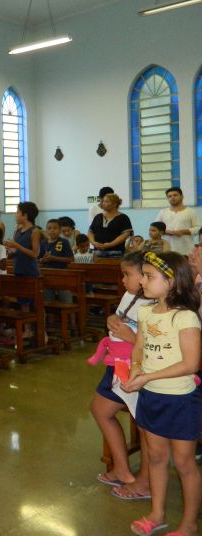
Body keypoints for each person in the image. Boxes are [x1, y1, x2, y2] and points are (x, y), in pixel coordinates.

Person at [123, 252, 202, 536]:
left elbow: (190, 364)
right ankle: (157, 513)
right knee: (156, 458)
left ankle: (189, 523)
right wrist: (135, 368)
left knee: (184, 463)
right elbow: (139, 348)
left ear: (171, 281)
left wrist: (148, 377)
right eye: (143, 275)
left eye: (149, 276)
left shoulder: (185, 317)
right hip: (151, 397)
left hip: (180, 400)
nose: (142, 281)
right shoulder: (146, 312)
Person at [89, 251, 152, 501]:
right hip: (117, 365)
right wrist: (113, 320)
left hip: (137, 368)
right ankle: (122, 470)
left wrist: (130, 336)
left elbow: (154, 346)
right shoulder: (130, 295)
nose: (123, 280)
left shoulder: (154, 303)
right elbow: (122, 318)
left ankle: (145, 482)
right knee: (99, 409)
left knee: (146, 428)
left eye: (128, 274)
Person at [155, 187, 201, 255]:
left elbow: (198, 228)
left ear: (182, 196)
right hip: (166, 250)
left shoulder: (190, 211)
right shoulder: (163, 212)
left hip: (186, 250)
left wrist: (182, 232)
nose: (172, 198)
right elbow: (156, 228)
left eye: (175, 195)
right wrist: (166, 231)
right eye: (169, 196)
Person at [88, 193, 133, 258]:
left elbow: (125, 234)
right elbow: (90, 232)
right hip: (97, 252)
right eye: (103, 201)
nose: (103, 203)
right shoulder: (98, 217)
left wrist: (110, 244)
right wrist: (93, 242)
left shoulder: (123, 218)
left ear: (114, 204)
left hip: (116, 252)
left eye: (106, 201)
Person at [4, 202, 41, 278]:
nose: (15, 215)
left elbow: (35, 254)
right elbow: (15, 250)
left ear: (25, 215)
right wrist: (9, 250)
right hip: (17, 270)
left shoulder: (34, 231)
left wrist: (17, 246)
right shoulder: (17, 230)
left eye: (18, 212)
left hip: (30, 272)